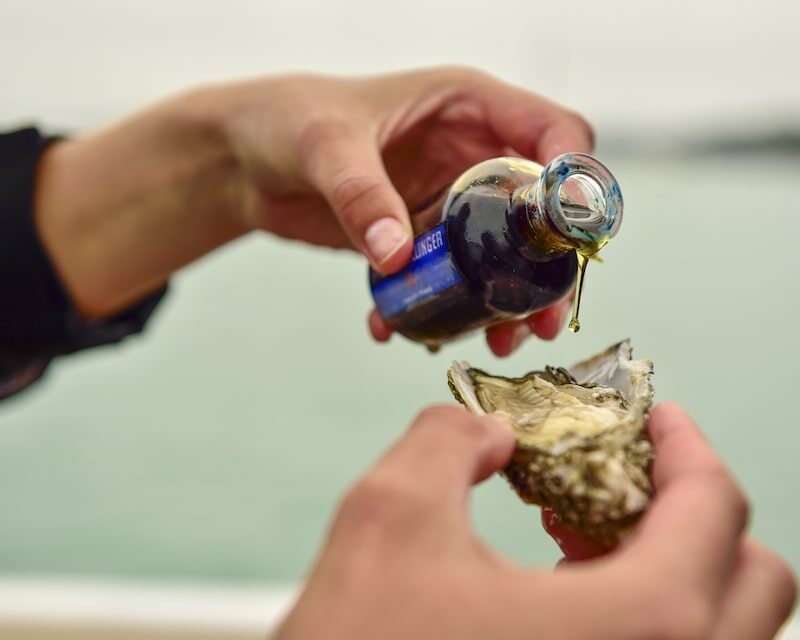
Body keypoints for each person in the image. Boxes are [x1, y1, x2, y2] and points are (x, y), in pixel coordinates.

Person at [0, 67, 795, 638]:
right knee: (424, 294)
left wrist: (231, 164)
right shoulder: (494, 201)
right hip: (413, 299)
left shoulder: (539, 262)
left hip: (409, 293)